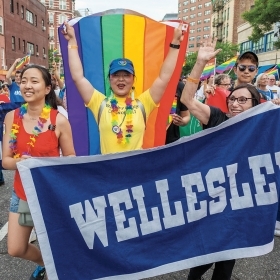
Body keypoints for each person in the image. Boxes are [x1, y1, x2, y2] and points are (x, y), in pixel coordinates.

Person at [180, 37, 269, 280]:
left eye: (243, 100)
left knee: (226, 265)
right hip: (214, 200)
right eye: (233, 100)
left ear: (256, 105)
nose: (237, 104)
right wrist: (199, 63)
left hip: (241, 204)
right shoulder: (219, 118)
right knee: (203, 259)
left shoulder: (263, 126)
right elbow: (187, 101)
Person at [62, 21, 184, 154]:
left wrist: (175, 43)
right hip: (108, 172)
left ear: (133, 80)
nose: (121, 79)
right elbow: (78, 77)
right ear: (110, 79)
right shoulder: (100, 103)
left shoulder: (143, 103)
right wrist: (72, 42)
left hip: (136, 172)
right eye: (116, 75)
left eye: (126, 75)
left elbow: (164, 78)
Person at [2, 65, 75, 280]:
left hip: (51, 195)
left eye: (34, 81)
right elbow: (6, 161)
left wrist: (45, 164)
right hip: (22, 192)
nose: (27, 85)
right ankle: (47, 263)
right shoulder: (11, 117)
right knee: (15, 248)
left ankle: (61, 269)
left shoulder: (58, 120)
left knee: (59, 243)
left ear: (47, 89)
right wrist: (21, 162)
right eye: (24, 80)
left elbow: (71, 157)